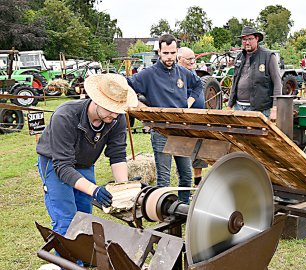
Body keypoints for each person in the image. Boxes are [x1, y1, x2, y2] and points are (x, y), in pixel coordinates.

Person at [36, 73, 138, 237]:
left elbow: (117, 154)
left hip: (84, 163)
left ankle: (82, 259)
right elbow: (63, 166)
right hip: (56, 163)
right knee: (66, 219)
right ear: (97, 100)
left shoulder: (116, 119)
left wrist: (124, 187)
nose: (114, 116)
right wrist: (94, 190)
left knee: (84, 215)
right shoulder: (65, 116)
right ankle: (67, 262)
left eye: (118, 111)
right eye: (111, 110)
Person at [127, 34, 203, 204]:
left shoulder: (183, 72)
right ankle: (165, 213)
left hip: (182, 131)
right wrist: (142, 108)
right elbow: (127, 86)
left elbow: (199, 84)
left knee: (186, 175)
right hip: (161, 131)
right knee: (164, 179)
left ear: (177, 52)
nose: (169, 57)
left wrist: (189, 102)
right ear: (159, 52)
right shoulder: (148, 74)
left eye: (172, 53)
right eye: (166, 53)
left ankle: (183, 209)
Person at [228, 26, 282, 120]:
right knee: (240, 134)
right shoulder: (239, 57)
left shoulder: (268, 56)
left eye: (250, 39)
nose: (247, 42)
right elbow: (235, 82)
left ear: (257, 39)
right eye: (244, 39)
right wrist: (229, 105)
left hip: (259, 110)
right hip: (239, 107)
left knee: (257, 134)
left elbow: (277, 83)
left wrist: (275, 108)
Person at [177, 46, 208, 187]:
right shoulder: (177, 74)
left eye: (193, 58)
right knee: (184, 151)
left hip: (199, 118)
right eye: (189, 59)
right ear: (179, 59)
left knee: (200, 151)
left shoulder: (193, 73)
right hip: (185, 120)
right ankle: (185, 183)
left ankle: (197, 182)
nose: (192, 62)